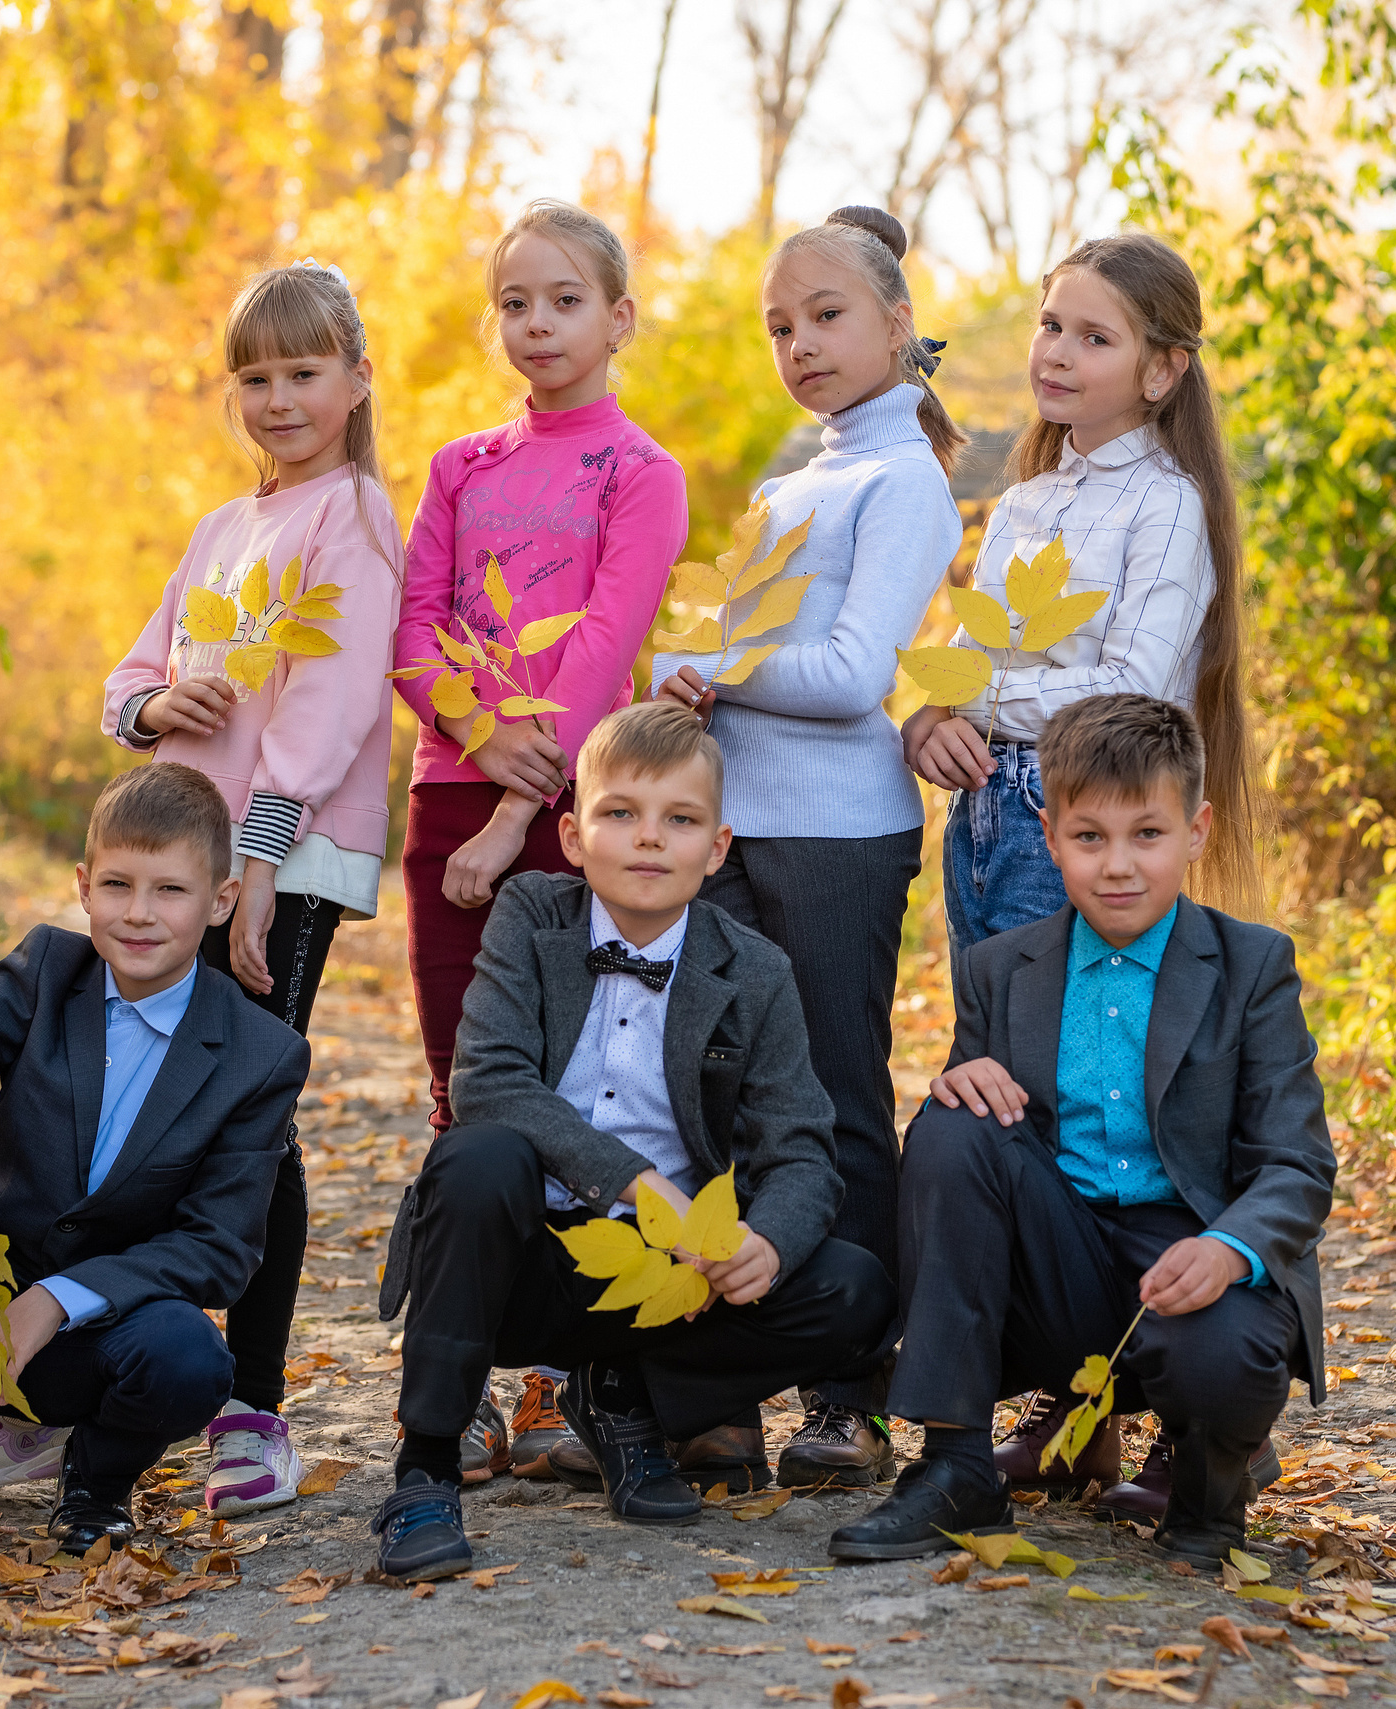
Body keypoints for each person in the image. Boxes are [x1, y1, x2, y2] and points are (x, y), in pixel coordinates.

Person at [0, 263, 401, 1523]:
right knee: (114, 1109)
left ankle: (251, 1401)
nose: (279, 398)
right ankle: (49, 1391)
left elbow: (331, 712)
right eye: (255, 376)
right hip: (184, 852)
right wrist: (153, 706)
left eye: (304, 373)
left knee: (247, 1117)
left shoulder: (352, 518)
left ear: (357, 379)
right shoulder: (222, 528)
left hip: (277, 861)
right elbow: (130, 674)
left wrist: (258, 869)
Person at [367, 702, 893, 1582]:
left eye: (679, 820)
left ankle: (622, 1396)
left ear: (716, 848)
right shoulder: (531, 914)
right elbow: (487, 1081)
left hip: (669, 1280)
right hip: (521, 1259)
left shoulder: (754, 969)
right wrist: (638, 1183)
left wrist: (768, 1241)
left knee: (856, 1287)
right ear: (573, 837)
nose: (649, 838)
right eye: (621, 813)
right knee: (478, 1154)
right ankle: (423, 1473)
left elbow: (802, 1147)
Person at [898, 230, 1259, 1508]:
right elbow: (971, 661)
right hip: (990, 819)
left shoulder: (1166, 505)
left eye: (1093, 337)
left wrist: (985, 702)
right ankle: (1070, 1403)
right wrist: (932, 719)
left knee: (1108, 1092)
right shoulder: (1025, 502)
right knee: (1010, 1092)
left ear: (1161, 370)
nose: (1055, 352)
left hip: (1084, 819)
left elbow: (1135, 684)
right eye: (1051, 325)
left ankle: (1182, 1405)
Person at [827, 695, 1332, 1567]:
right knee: (953, 1124)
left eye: (1148, 834)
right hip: (1059, 1264)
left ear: (1196, 832)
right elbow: (972, 1167)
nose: (1118, 864)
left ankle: (1207, 1504)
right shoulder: (1001, 968)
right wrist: (955, 1087)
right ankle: (955, 1467)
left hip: (1193, 1259)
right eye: (1089, 836)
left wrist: (1228, 1251)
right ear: (1051, 836)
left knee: (1220, 1349)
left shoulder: (1251, 964)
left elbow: (1298, 1164)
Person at [651, 204, 964, 1491]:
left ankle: (851, 1395)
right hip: (732, 828)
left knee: (834, 1103)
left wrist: (716, 664)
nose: (801, 345)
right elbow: (736, 657)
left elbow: (846, 678)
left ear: (897, 324)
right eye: (780, 327)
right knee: (718, 1102)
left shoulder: (909, 481)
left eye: (826, 317)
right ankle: (723, 1392)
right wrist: (688, 680)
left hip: (839, 838)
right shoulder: (786, 487)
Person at [0, 764, 308, 1564]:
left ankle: (96, 1482)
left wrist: (54, 1299)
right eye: (117, 884)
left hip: (102, 1338)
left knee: (192, 1358)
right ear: (84, 886)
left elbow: (218, 1249)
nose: (138, 912)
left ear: (221, 901)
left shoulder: (262, 1052)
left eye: (170, 890)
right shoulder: (48, 971)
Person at [392, 200, 688, 1482]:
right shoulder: (460, 465)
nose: (537, 324)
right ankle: (456, 1375)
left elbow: (607, 647)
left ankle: (560, 1375)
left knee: (573, 1087)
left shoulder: (640, 472)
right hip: (449, 801)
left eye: (565, 300)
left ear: (618, 317)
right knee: (463, 1087)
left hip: (570, 816)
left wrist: (527, 806)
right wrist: (477, 743)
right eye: (515, 302)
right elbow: (412, 630)